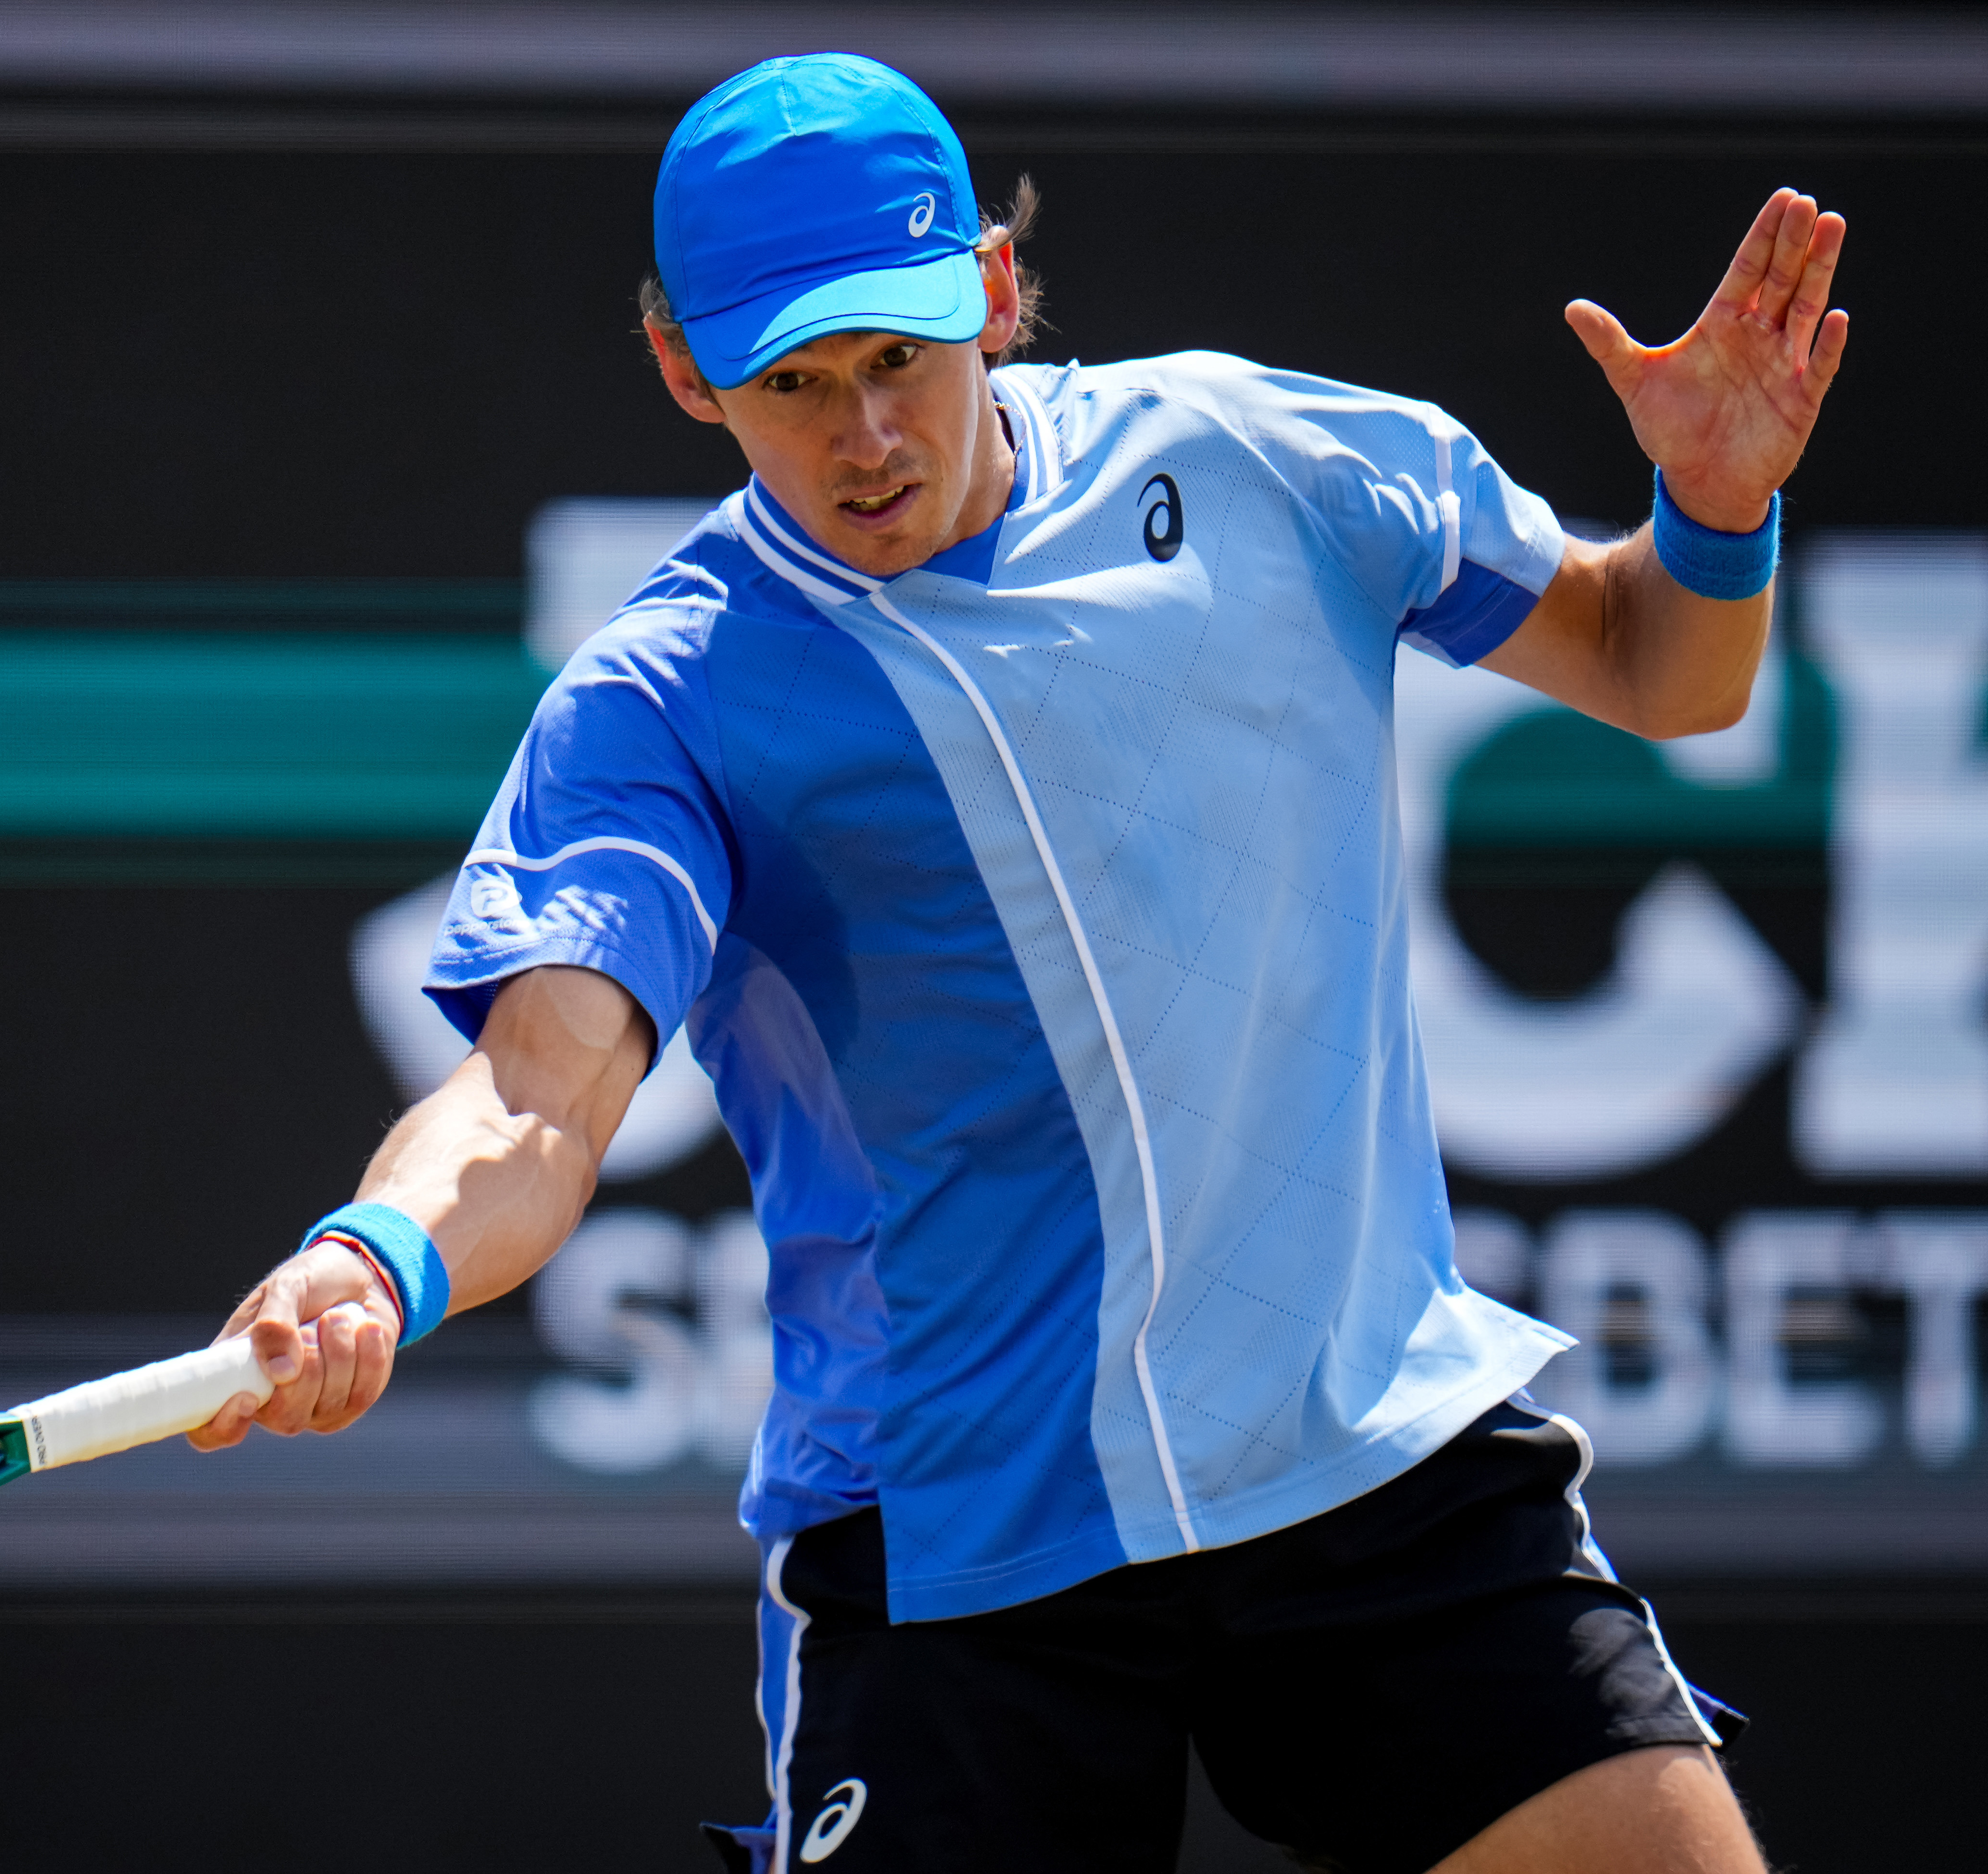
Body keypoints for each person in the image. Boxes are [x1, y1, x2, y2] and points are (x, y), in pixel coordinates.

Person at [187, 52, 1843, 1874]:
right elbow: (536, 1092)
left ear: (988, 291)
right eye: (789, 386)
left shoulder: (1256, 459)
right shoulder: (666, 698)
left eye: (897, 357)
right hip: (960, 1547)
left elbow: (1659, 667)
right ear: (684, 374)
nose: (861, 439)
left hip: (1370, 1452)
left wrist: (1709, 508)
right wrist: (377, 1255)